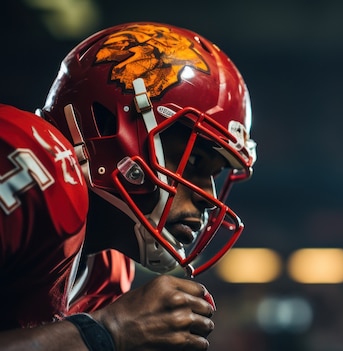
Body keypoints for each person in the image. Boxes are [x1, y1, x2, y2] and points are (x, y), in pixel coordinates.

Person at [0, 21, 256, 350]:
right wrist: (103, 331)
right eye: (192, 162)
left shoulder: (107, 271)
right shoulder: (35, 162)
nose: (208, 198)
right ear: (108, 124)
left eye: (216, 174)